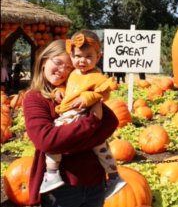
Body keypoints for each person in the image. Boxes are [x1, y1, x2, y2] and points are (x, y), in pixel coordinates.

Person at [23, 39, 119, 206]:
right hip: (61, 188)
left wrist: (66, 143)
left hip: (94, 181)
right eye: (58, 63)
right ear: (44, 60)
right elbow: (46, 140)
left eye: (69, 68)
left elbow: (111, 122)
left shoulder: (80, 94)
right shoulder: (35, 98)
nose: (62, 71)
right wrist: (92, 122)